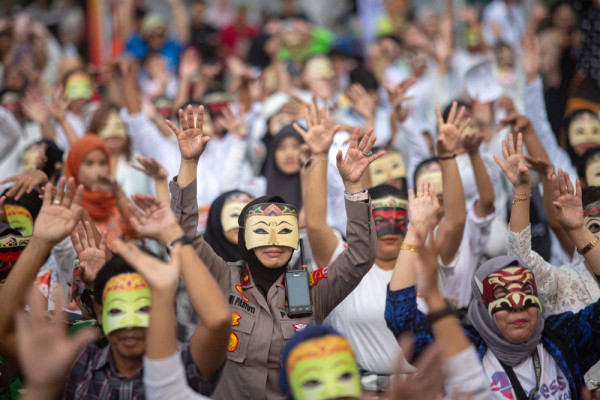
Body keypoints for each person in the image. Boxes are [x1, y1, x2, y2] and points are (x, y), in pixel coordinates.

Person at [167, 105, 381, 399]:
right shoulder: (223, 277)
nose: (273, 241)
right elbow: (184, 236)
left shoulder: (309, 289)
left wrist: (354, 186)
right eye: (261, 231)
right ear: (244, 238)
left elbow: (360, 256)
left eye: (284, 231)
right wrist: (189, 163)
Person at [64, 135, 135, 241]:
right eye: (89, 163)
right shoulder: (65, 207)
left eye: (103, 163)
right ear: (74, 166)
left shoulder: (114, 203)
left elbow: (138, 230)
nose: (97, 170)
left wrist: (118, 193)